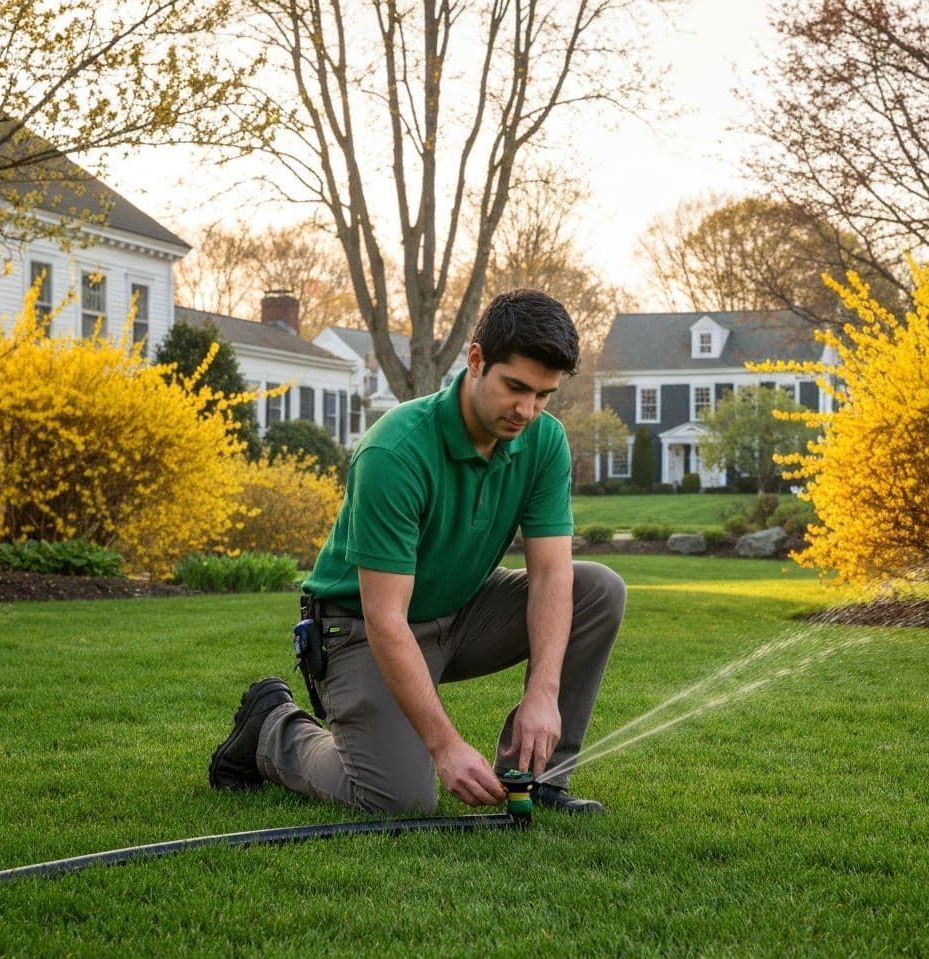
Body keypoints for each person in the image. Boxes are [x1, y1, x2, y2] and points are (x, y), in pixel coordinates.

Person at [209, 288, 626, 814]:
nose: (528, 410)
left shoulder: (543, 440)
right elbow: (385, 616)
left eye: (543, 394)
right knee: (399, 799)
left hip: (461, 612)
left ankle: (537, 779)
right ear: (475, 360)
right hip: (357, 629)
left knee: (598, 589)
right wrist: (445, 746)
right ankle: (273, 728)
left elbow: (550, 576)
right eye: (515, 387)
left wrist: (543, 693)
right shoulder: (395, 451)